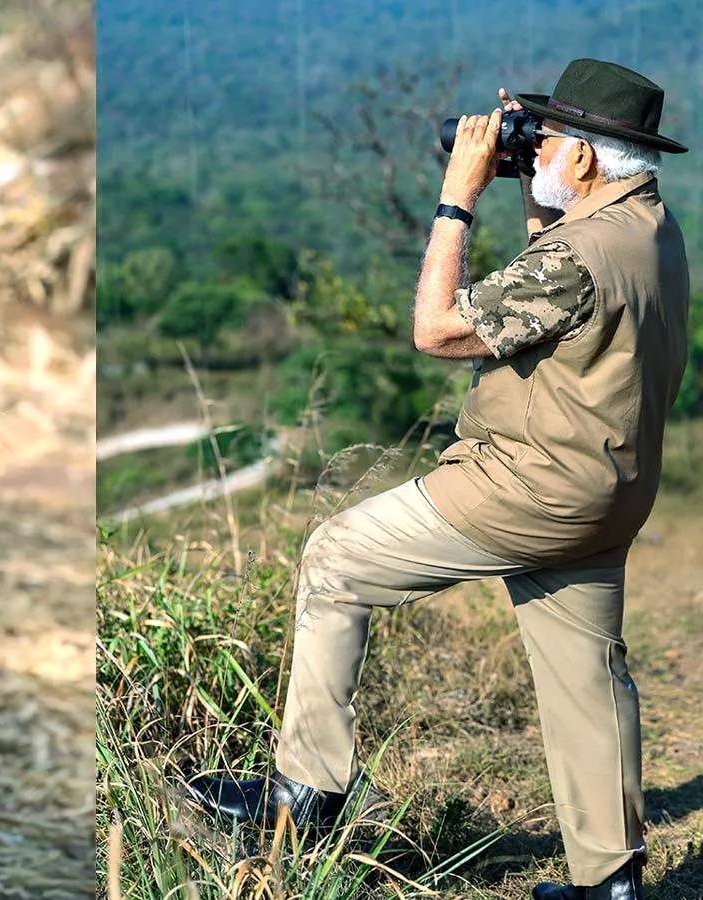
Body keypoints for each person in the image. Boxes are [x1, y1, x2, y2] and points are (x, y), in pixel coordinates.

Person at [183, 58, 689, 900]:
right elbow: (558, 293)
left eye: (551, 141)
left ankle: (306, 794)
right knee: (586, 676)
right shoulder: (650, 229)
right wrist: (534, 187)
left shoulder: (581, 253)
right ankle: (611, 881)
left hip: (524, 491)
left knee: (335, 559)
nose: (539, 151)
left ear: (590, 161)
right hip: (609, 492)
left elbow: (438, 329)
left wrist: (458, 197)